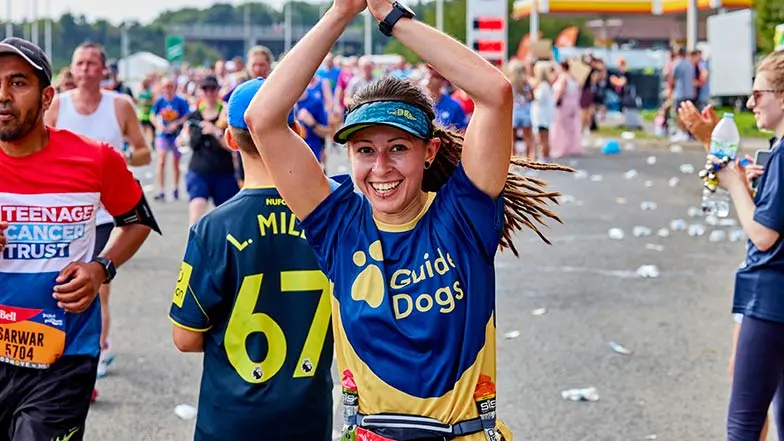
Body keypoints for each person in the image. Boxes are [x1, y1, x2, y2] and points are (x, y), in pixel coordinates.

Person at [244, 1, 571, 439]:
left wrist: (389, 15)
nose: (381, 168)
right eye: (365, 150)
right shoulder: (337, 223)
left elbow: (495, 93)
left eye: (398, 148)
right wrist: (341, 12)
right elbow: (263, 119)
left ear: (429, 151)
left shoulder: (463, 215)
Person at [0, 37, 158, 441]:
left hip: (64, 356)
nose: (2, 95)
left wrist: (101, 267)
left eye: (17, 83)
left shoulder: (95, 158)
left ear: (47, 97)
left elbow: (138, 220)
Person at [169, 77, 334, 441]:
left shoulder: (214, 227)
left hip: (231, 419)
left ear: (230, 140)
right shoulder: (330, 220)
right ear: (296, 133)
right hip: (307, 416)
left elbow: (185, 337)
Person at [44, 41, 153, 381]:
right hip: (64, 212)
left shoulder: (119, 105)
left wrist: (118, 159)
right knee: (59, 282)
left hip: (105, 213)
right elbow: (41, 150)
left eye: (92, 63)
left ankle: (99, 349)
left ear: (104, 69)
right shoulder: (58, 105)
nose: (85, 69)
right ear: (72, 68)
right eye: (80, 63)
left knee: (98, 283)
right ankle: (59, 346)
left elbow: (144, 152)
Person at [709, 50, 784, 441]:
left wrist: (733, 183)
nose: (751, 103)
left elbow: (764, 235)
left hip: (771, 298)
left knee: (744, 422)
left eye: (758, 94)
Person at [178, 75, 239, 226]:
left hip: (223, 172)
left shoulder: (227, 115)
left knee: (228, 219)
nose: (209, 93)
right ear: (201, 91)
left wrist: (216, 132)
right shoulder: (194, 116)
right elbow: (184, 141)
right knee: (197, 212)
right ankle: (194, 241)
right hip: (199, 171)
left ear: (218, 90)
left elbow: (233, 146)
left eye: (212, 89)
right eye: (206, 89)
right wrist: (183, 138)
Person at [152, 77, 191, 201]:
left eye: (170, 86)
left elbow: (187, 115)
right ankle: (161, 190)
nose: (167, 89)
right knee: (161, 161)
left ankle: (175, 188)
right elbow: (153, 115)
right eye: (165, 87)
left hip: (176, 135)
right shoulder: (160, 101)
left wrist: (177, 123)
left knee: (175, 162)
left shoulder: (180, 101)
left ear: (174, 87)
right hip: (163, 135)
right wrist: (158, 125)